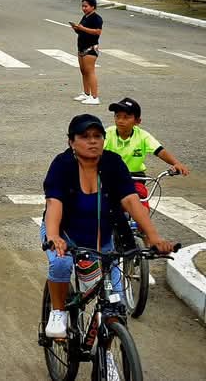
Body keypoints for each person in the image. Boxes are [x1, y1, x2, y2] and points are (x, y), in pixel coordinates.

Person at [41, 114, 176, 339]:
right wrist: (54, 236)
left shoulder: (113, 163)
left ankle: (109, 352)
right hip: (65, 233)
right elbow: (54, 203)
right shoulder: (62, 165)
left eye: (97, 136)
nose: (92, 141)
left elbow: (131, 200)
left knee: (116, 306)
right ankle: (58, 312)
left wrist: (153, 237)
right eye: (85, 137)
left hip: (102, 238)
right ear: (71, 142)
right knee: (61, 263)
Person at [104, 97, 190, 200]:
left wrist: (176, 163)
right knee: (101, 200)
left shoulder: (143, 136)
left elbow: (160, 150)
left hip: (135, 178)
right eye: (117, 116)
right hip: (110, 177)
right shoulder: (107, 133)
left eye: (126, 117)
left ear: (137, 121)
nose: (120, 121)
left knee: (140, 200)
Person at [71, 0, 103, 106]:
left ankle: (94, 97)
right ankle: (86, 93)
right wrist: (76, 29)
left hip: (90, 48)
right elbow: (81, 31)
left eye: (86, 6)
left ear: (93, 6)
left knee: (90, 72)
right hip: (81, 47)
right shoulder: (85, 17)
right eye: (83, 6)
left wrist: (83, 28)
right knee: (84, 71)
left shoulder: (96, 18)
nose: (84, 8)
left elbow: (97, 32)